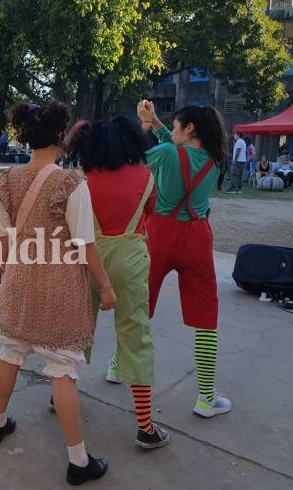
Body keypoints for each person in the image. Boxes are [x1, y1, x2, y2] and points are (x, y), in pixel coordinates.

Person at [0, 101, 114, 485]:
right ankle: (78, 461)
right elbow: (85, 243)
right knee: (62, 369)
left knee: (10, 352)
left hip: (18, 281)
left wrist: (13, 272)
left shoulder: (5, 179)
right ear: (61, 138)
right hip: (60, 287)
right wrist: (106, 286)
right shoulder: (71, 182)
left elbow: (2, 240)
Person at [66, 116, 169, 448]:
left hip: (87, 261)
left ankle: (61, 393)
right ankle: (145, 426)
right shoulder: (145, 176)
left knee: (77, 331)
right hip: (131, 260)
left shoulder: (81, 180)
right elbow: (150, 212)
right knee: (136, 336)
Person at [138, 100, 232, 418]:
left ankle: (118, 365)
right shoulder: (216, 161)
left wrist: (144, 126)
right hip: (197, 236)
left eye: (177, 125)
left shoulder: (166, 154)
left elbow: (138, 159)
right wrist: (158, 124)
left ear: (189, 128)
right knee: (206, 317)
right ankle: (206, 397)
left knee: (139, 309)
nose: (172, 131)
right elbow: (177, 149)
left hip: (159, 236)